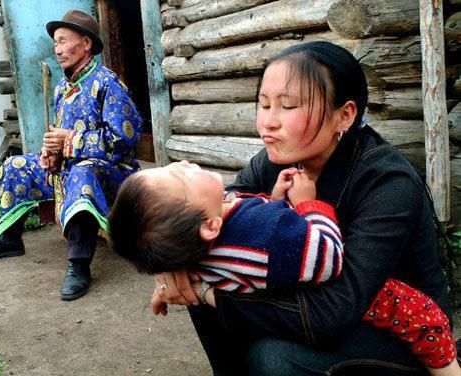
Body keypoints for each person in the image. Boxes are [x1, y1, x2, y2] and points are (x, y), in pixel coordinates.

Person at [145, 41, 453, 375]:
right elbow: (221, 208)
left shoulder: (388, 183)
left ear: (345, 115)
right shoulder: (275, 162)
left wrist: (206, 291)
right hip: (314, 301)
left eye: (288, 106)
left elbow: (334, 312)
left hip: (407, 331)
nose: (268, 123)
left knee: (273, 355)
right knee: (205, 266)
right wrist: (173, 256)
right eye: (264, 105)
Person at [109, 161, 458, 375]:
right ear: (209, 227)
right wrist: (309, 204)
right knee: (428, 322)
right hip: (346, 296)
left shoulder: (200, 248)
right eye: (180, 176)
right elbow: (327, 257)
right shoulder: (266, 233)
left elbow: (243, 221)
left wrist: (274, 201)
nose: (184, 163)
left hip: (283, 295)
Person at [0, 9, 143, 301]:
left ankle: (79, 264)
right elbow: (60, 138)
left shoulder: (107, 83)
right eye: (55, 45)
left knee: (82, 171)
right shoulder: (63, 87)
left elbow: (123, 139)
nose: (59, 50)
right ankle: (8, 237)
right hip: (72, 165)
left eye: (64, 41)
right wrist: (49, 153)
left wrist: (71, 142)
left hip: (113, 173)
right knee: (16, 165)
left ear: (86, 44)